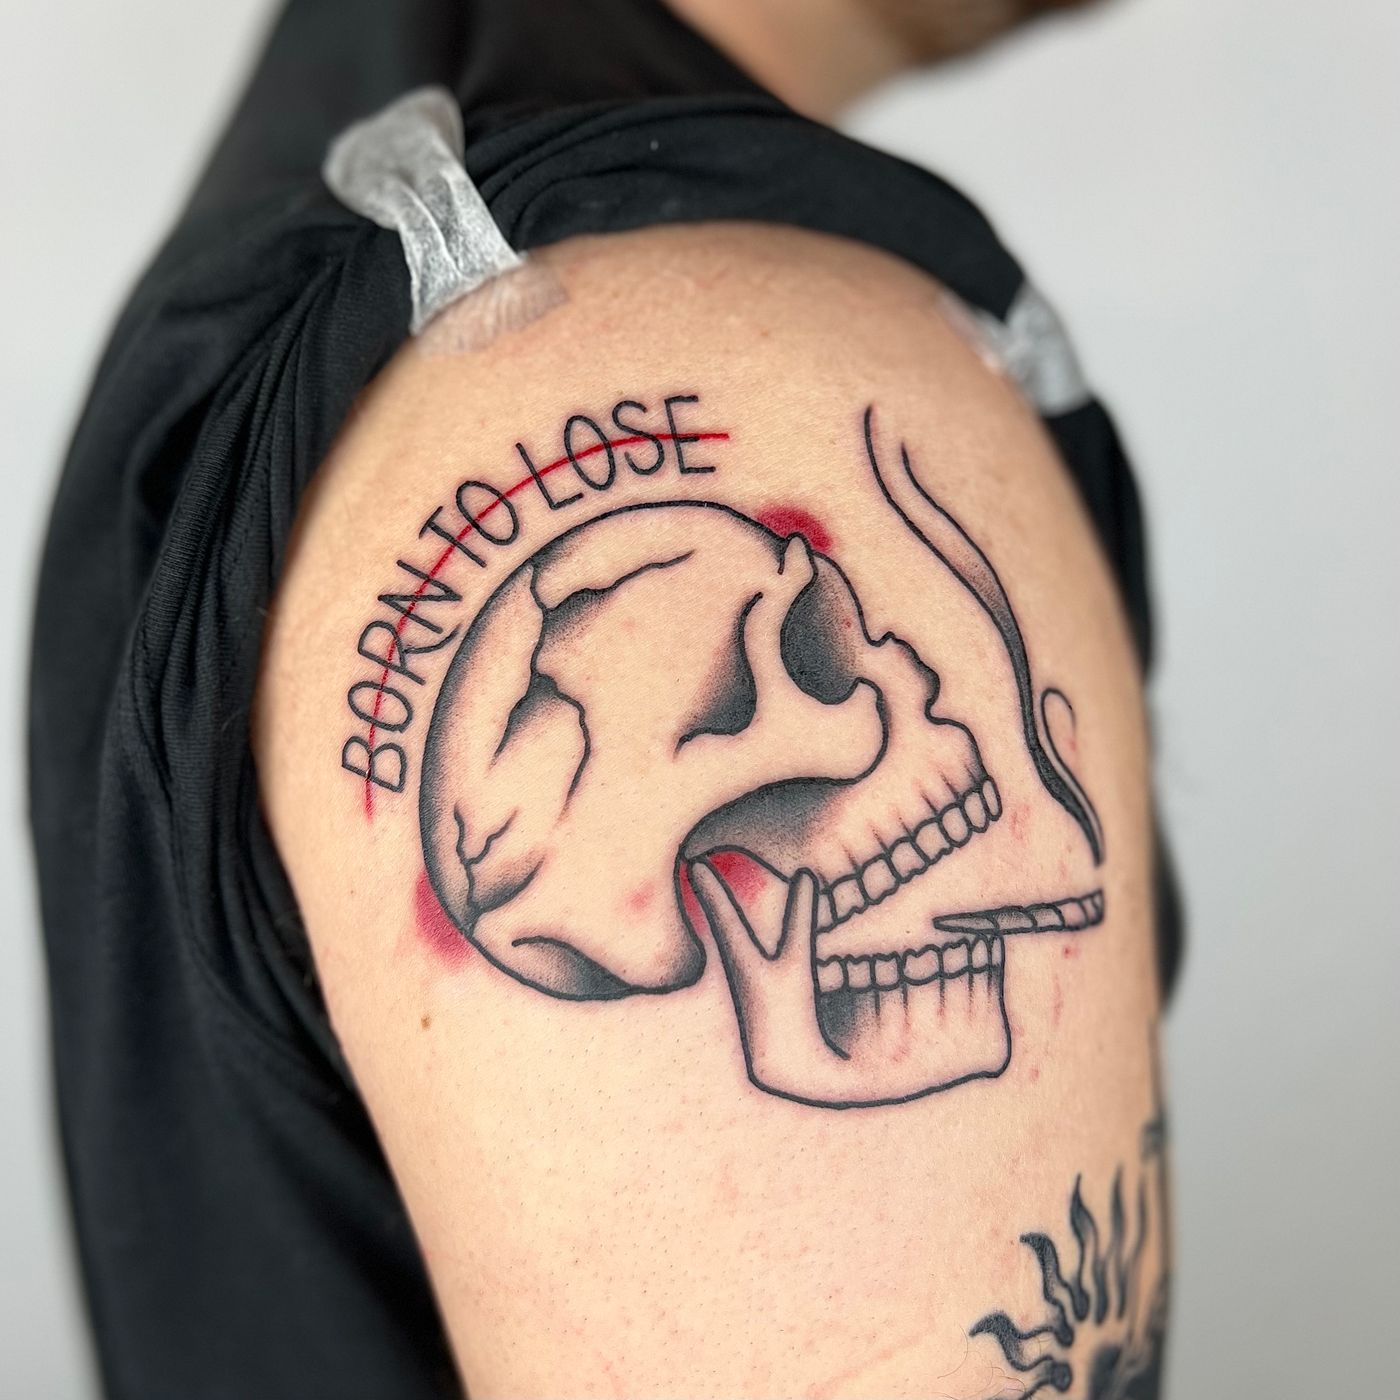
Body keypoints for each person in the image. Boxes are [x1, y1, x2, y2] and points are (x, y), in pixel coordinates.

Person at [30, 0, 1176, 1395]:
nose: (903, 703)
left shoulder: (339, 186)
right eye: (801, 676)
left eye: (838, 643)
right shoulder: (667, 346)